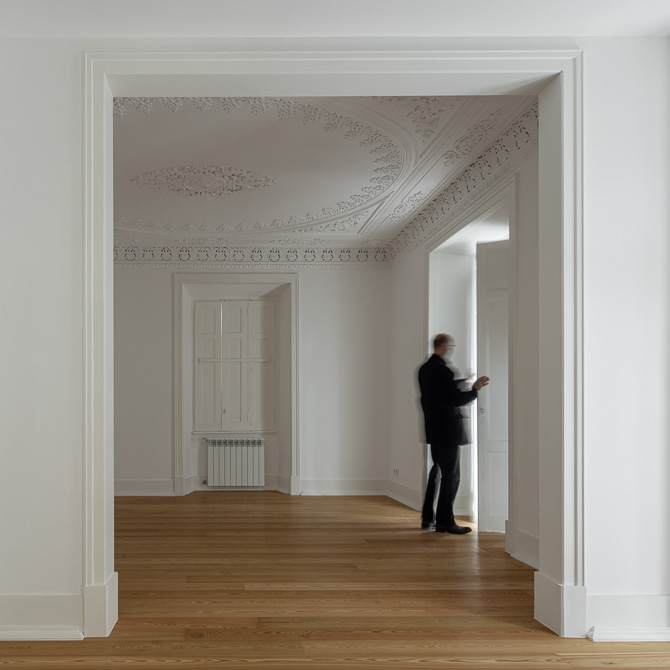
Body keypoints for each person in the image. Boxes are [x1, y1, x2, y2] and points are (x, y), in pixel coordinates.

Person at [418, 333, 489, 534]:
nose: (450, 350)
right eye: (449, 346)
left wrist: (463, 381)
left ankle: (427, 518)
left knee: (436, 472)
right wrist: (474, 389)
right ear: (442, 346)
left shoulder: (425, 369)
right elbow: (455, 399)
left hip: (434, 430)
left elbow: (440, 392)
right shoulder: (443, 370)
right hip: (448, 431)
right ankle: (445, 522)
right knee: (451, 477)